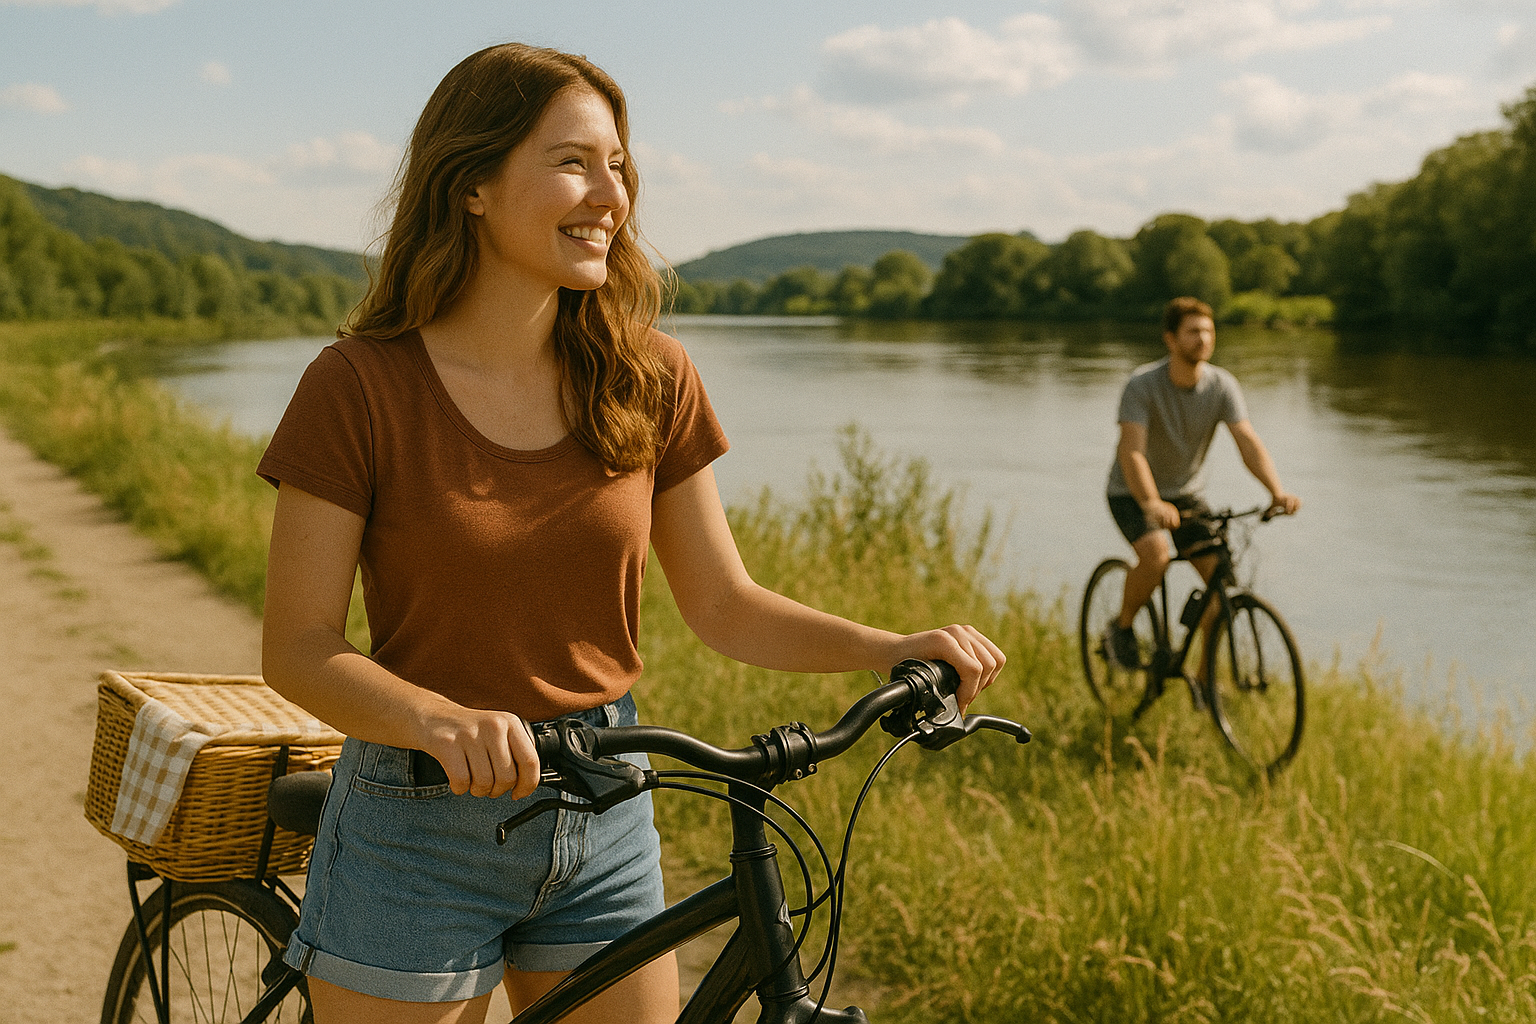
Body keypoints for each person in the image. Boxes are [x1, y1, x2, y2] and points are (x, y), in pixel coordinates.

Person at [258, 42, 1004, 1024]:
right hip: (417, 820)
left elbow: (725, 604)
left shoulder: (650, 377)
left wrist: (889, 648)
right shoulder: (358, 386)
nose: (610, 193)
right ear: (472, 183)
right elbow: (298, 647)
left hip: (608, 803)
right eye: (574, 162)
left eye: (619, 165)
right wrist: (437, 719)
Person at [1102, 296, 1301, 668]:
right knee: (1157, 555)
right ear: (1171, 339)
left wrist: (1276, 491)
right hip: (1131, 492)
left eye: (1208, 331)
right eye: (1193, 332)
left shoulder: (1222, 385)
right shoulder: (1143, 385)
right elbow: (1132, 453)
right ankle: (1122, 628)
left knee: (1220, 584)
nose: (1204, 339)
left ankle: (1206, 679)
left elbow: (1247, 440)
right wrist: (1150, 503)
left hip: (1186, 495)